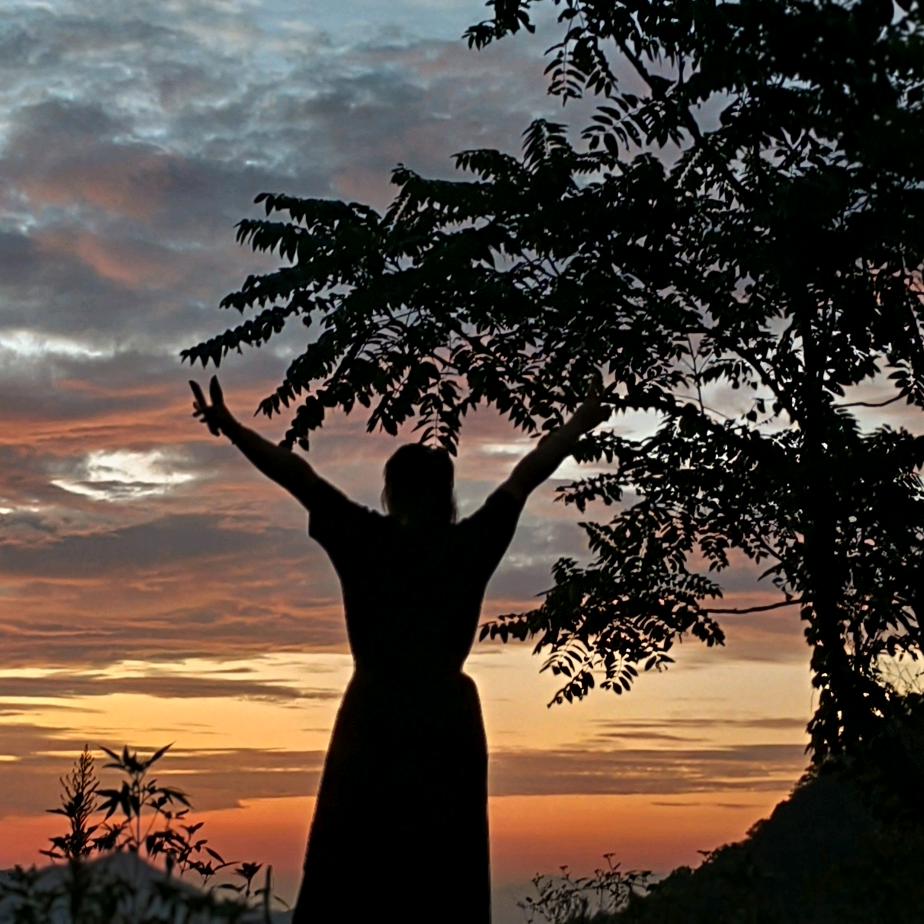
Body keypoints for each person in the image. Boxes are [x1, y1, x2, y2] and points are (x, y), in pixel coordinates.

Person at [189, 376, 610, 924]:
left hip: (374, 714)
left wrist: (234, 430)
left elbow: (297, 476)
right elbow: (526, 474)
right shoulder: (468, 544)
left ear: (391, 492)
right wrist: (578, 423)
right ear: (446, 496)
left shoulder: (364, 537)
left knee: (352, 860)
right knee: (443, 868)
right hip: (445, 720)